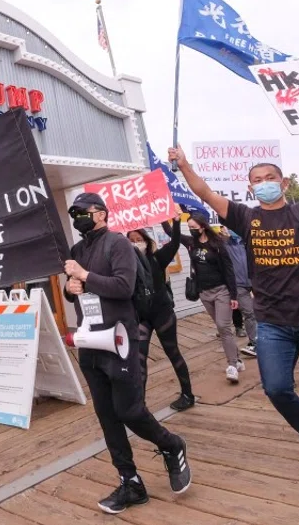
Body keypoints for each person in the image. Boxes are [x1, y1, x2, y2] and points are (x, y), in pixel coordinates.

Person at [169, 117, 299, 512]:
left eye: (271, 176)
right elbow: (204, 193)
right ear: (250, 187)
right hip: (273, 323)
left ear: (283, 184)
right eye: (257, 178)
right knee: (276, 388)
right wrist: (183, 164)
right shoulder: (245, 218)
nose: (264, 182)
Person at [64, 192, 191, 514]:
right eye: (73, 211)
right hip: (90, 341)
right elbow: (75, 292)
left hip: (119, 339)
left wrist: (84, 276)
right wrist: (70, 288)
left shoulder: (118, 244)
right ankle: (130, 481)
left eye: (83, 211)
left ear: (102, 214)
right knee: (107, 416)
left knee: (130, 411)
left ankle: (171, 444)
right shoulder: (77, 250)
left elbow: (123, 287)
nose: (78, 215)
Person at [128, 219, 195, 411]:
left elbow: (174, 243)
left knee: (173, 353)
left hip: (162, 314)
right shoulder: (126, 266)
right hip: (142, 317)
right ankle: (140, 406)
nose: (135, 243)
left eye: (138, 239)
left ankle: (187, 395)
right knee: (139, 359)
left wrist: (174, 223)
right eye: (131, 241)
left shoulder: (157, 258)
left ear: (147, 241)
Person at [175, 213, 244, 383]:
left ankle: (232, 365)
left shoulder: (217, 244)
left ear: (203, 227)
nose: (191, 231)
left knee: (223, 326)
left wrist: (234, 295)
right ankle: (238, 359)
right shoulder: (191, 243)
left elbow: (229, 270)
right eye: (189, 228)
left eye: (194, 227)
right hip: (204, 292)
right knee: (221, 328)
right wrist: (173, 219)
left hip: (222, 290)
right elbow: (172, 233)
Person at [218, 226, 259, 358]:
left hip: (255, 281)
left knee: (263, 311)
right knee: (249, 313)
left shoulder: (247, 242)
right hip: (239, 285)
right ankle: (255, 343)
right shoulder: (225, 244)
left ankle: (269, 340)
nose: (230, 230)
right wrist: (223, 236)